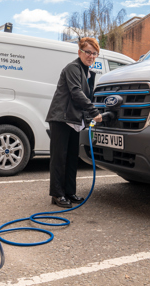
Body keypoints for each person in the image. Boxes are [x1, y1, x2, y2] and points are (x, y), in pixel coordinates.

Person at [46, 37, 103, 208]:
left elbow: (87, 97)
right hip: (61, 118)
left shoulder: (89, 73)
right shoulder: (73, 68)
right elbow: (76, 92)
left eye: (94, 53)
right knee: (59, 158)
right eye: (88, 52)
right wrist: (94, 112)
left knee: (72, 158)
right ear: (80, 52)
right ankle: (57, 194)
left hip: (74, 120)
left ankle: (69, 192)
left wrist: (92, 112)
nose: (91, 56)